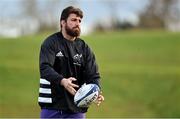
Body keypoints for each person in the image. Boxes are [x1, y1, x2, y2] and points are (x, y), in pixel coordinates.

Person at [38, 6, 104, 118]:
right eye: (73, 20)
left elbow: (93, 75)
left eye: (79, 21)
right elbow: (45, 68)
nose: (77, 23)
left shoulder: (84, 48)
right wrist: (62, 81)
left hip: (76, 110)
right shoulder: (51, 43)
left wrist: (96, 90)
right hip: (52, 107)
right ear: (63, 22)